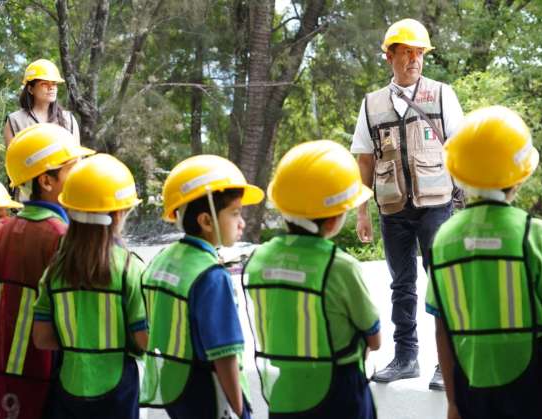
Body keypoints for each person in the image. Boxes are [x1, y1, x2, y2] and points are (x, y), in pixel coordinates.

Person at [426, 106, 542, 419]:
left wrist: (453, 402)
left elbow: (441, 329)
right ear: (519, 176)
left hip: (469, 380)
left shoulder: (444, 238)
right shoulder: (533, 233)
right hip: (533, 383)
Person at [351, 17, 464, 389]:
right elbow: (364, 159)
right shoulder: (371, 104)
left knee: (442, 282)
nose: (413, 60)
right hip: (392, 207)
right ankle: (405, 357)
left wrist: (466, 202)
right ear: (390, 57)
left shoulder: (441, 94)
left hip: (438, 205)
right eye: (406, 53)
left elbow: (460, 149)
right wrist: (361, 211)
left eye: (419, 53)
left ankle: (446, 362)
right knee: (401, 285)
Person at [243, 140, 381, 418]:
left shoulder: (258, 260)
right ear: (333, 221)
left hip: (285, 395)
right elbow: (374, 339)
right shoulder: (340, 266)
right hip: (339, 394)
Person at [140, 155, 264, 419]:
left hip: (177, 390)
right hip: (210, 396)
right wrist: (241, 411)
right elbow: (225, 355)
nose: (242, 223)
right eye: (235, 213)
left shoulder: (162, 260)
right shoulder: (210, 276)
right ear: (206, 221)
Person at [32, 153, 147, 419]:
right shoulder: (129, 268)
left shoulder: (54, 272)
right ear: (118, 214)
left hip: (69, 386)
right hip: (118, 390)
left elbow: (42, 339)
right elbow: (143, 340)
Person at [0, 123, 93, 419]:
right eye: (73, 168)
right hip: (49, 377)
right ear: (47, 181)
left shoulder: (1, 231)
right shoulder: (64, 237)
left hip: (2, 376)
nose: (82, 176)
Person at [3, 59, 80, 147]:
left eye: (54, 84)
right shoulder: (15, 120)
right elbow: (13, 159)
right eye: (44, 84)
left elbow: (77, 158)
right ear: (30, 89)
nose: (51, 87)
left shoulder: (68, 119)